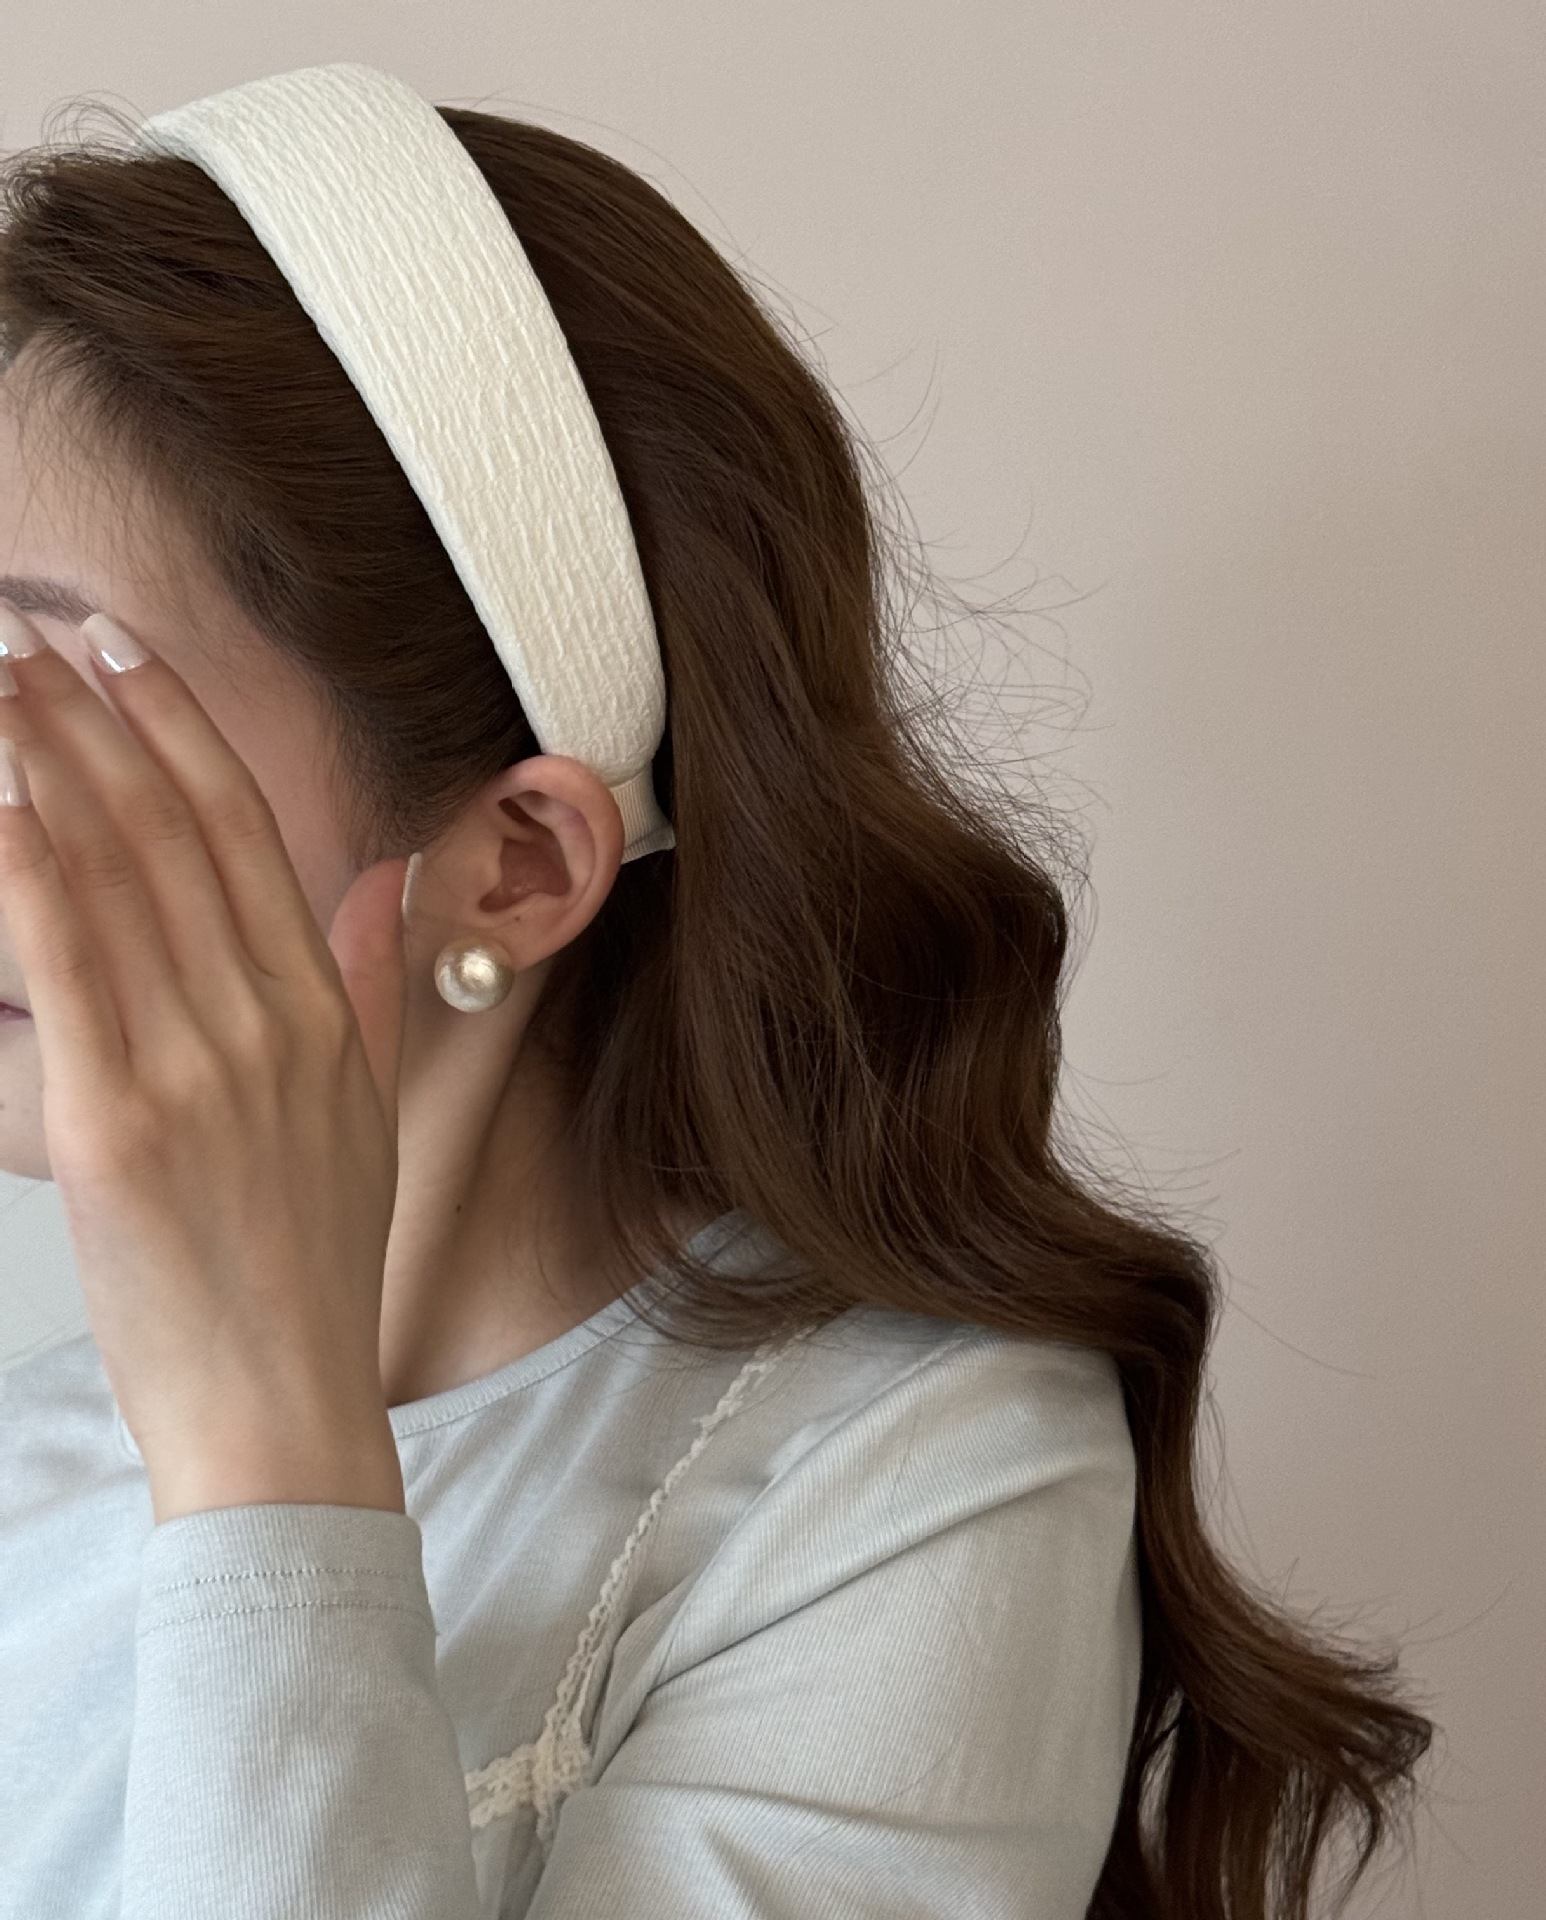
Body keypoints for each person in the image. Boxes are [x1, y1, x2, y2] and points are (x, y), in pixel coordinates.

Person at [0, 64, 1429, 1920]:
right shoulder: (32, 1454)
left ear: (519, 864)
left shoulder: (909, 1488)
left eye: (46, 708)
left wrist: (267, 1472)